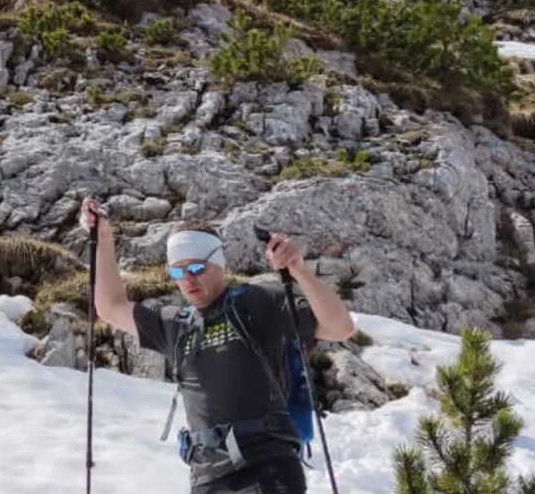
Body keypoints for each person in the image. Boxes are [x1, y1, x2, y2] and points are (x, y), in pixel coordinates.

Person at [80, 198, 356, 494]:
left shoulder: (257, 302)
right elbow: (110, 307)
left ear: (219, 264)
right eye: (177, 272)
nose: (187, 280)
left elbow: (340, 327)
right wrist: (104, 238)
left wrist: (299, 271)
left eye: (197, 267)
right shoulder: (176, 324)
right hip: (207, 477)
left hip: (267, 468)